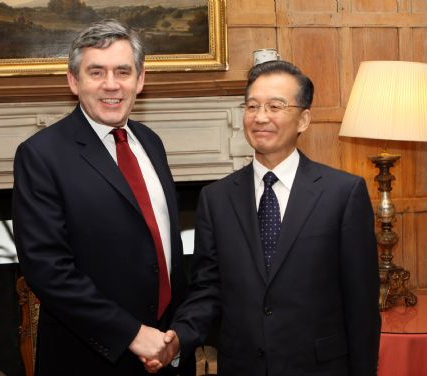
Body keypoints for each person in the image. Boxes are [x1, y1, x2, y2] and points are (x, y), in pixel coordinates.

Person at [149, 60, 381, 375]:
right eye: (252, 106)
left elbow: (362, 306)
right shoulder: (215, 199)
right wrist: (179, 339)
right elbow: (207, 289)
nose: (260, 117)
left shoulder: (343, 193)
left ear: (303, 119)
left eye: (275, 106)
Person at [12, 19, 193, 376]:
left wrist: (176, 335)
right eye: (96, 72)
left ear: (139, 81)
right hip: (89, 358)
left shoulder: (151, 142)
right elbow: (47, 269)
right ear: (73, 81)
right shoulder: (40, 155)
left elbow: (165, 251)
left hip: (166, 352)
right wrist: (131, 334)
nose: (111, 85)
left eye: (123, 72)